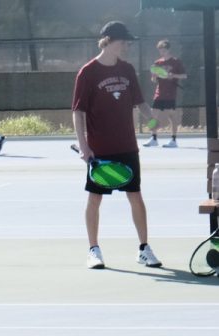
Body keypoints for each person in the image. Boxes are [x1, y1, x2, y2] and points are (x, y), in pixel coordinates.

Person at [72, 21, 161, 270]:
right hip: (100, 148)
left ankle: (144, 249)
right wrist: (84, 146)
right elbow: (77, 112)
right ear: (109, 40)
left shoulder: (128, 69)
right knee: (95, 199)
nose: (127, 45)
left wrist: (153, 120)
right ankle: (93, 250)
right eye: (124, 41)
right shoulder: (88, 72)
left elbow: (140, 103)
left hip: (128, 146)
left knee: (136, 196)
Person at [142, 39, 187, 148]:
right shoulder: (157, 63)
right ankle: (154, 138)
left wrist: (173, 75)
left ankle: (174, 140)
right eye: (160, 50)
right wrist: (154, 76)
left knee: (172, 116)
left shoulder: (176, 62)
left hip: (170, 94)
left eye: (163, 50)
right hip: (159, 93)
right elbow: (153, 80)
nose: (161, 52)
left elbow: (184, 76)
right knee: (153, 116)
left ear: (168, 49)